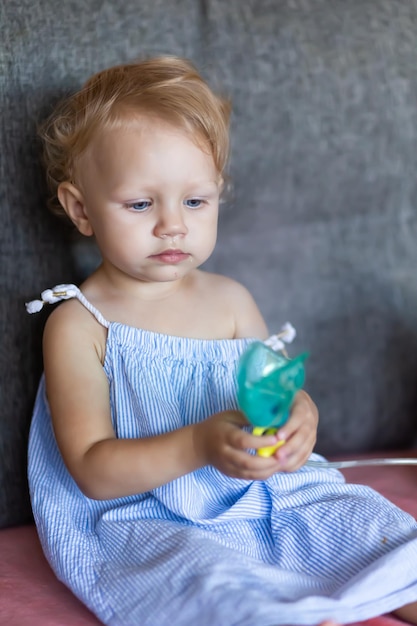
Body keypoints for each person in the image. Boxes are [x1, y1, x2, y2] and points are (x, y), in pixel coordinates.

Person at [27, 56, 417, 626]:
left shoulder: (232, 301)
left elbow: (275, 396)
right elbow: (91, 470)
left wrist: (299, 419)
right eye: (141, 204)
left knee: (372, 530)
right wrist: (199, 447)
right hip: (149, 517)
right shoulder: (80, 325)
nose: (173, 226)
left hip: (266, 495)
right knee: (211, 584)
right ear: (81, 209)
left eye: (195, 201)